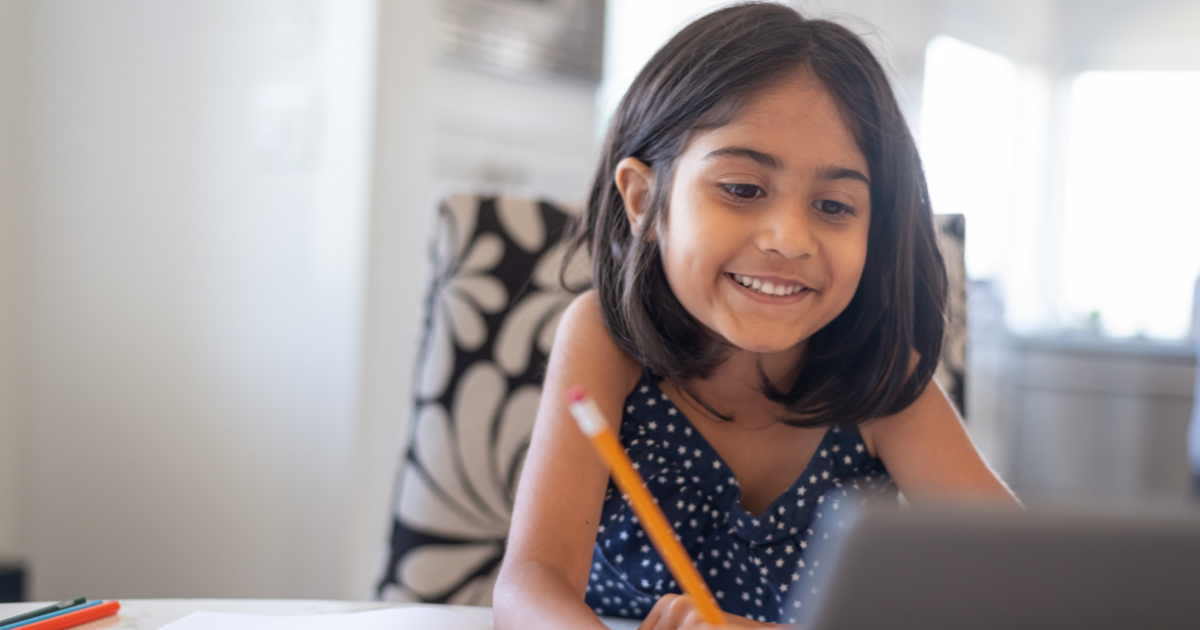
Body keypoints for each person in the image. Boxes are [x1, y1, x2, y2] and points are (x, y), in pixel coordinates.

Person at [493, 4, 1019, 629]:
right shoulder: (605, 341)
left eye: (834, 205)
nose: (789, 239)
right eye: (742, 190)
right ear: (643, 200)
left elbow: (1030, 583)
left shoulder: (881, 380)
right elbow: (531, 582)